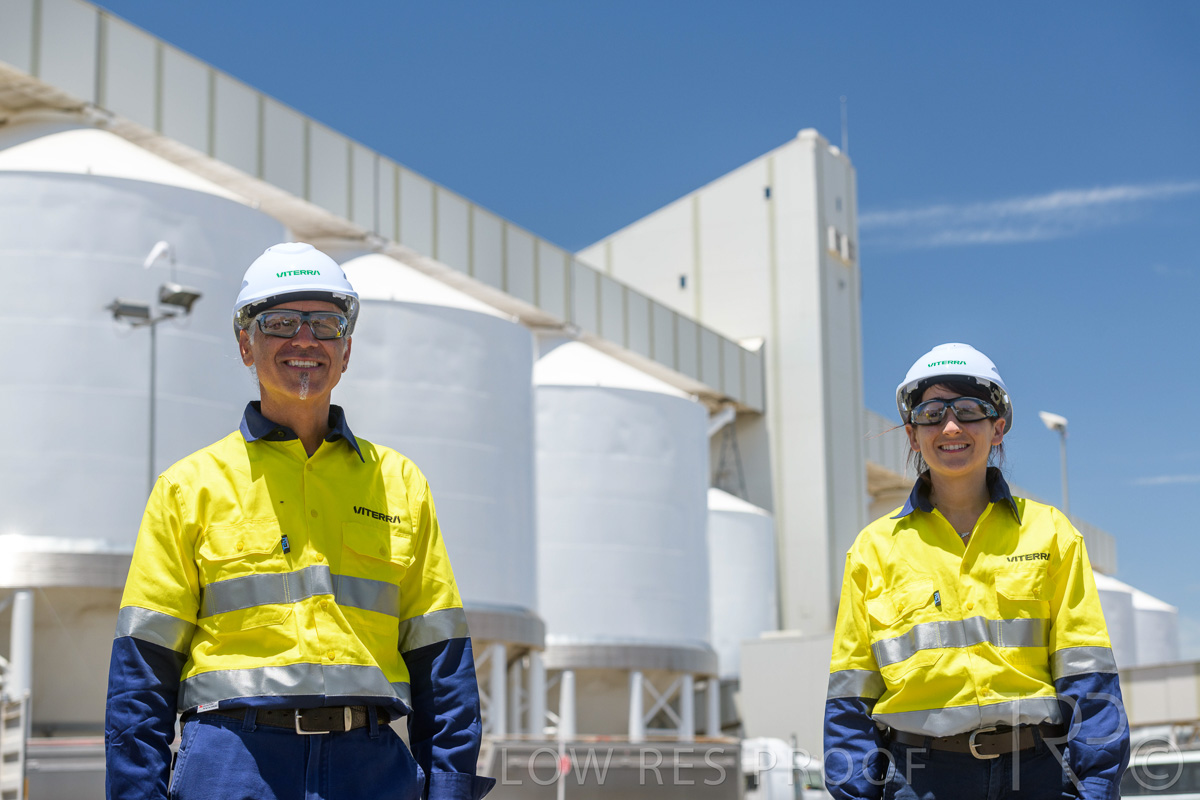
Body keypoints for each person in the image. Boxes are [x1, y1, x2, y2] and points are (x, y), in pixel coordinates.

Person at [105, 242, 495, 800]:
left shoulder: (400, 483)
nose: (306, 340)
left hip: (371, 767)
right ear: (246, 344)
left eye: (326, 325)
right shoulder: (188, 488)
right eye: (282, 322)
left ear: (346, 349)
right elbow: (142, 670)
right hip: (232, 764)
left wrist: (451, 790)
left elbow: (443, 662)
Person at [824, 343, 1129, 800]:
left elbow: (1089, 675)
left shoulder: (1050, 534)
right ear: (913, 435)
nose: (950, 427)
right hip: (919, 778)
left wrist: (1098, 786)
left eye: (968, 410)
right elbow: (851, 695)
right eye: (931, 414)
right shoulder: (873, 550)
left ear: (997, 427)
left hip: (1037, 775)